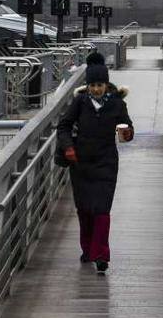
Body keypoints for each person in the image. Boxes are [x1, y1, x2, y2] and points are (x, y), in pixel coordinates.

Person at [57, 52, 134, 273]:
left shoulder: (117, 104)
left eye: (100, 85)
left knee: (101, 210)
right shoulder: (80, 102)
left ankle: (101, 255)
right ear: (88, 85)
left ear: (106, 84)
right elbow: (63, 126)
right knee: (84, 209)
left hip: (106, 163)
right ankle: (87, 248)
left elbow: (128, 126)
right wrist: (69, 148)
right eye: (93, 85)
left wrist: (127, 133)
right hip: (80, 164)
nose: (96, 89)